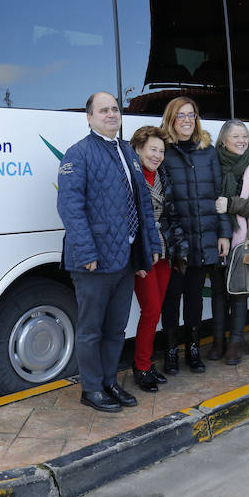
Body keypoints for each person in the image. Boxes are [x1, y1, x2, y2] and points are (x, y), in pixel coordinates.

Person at [56, 92, 162, 413]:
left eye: (115, 109)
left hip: (125, 259)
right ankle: (91, 389)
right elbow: (70, 207)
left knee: (116, 329)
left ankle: (108, 382)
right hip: (93, 261)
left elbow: (143, 203)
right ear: (89, 118)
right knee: (91, 330)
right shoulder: (78, 154)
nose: (111, 114)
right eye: (103, 110)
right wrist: (86, 250)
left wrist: (151, 246)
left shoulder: (128, 151)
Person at [159, 97, 231, 374]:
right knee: (171, 297)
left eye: (191, 115)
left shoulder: (208, 152)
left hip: (203, 237)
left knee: (194, 298)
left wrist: (223, 234)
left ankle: (192, 349)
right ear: (171, 119)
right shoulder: (163, 151)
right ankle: (171, 351)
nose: (187, 120)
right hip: (175, 240)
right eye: (181, 115)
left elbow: (218, 196)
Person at [129, 126, 189, 392]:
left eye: (161, 151)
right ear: (139, 149)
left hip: (164, 250)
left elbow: (171, 214)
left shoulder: (162, 174)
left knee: (156, 310)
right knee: (151, 309)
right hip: (143, 250)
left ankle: (146, 363)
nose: (157, 155)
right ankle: (141, 367)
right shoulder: (131, 175)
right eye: (152, 149)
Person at [213, 119, 249, 365]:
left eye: (244, 136)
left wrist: (232, 205)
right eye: (235, 136)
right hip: (215, 236)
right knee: (217, 292)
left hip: (246, 240)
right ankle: (218, 340)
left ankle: (235, 343)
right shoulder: (212, 163)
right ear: (224, 140)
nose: (241, 140)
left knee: (239, 293)